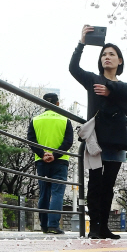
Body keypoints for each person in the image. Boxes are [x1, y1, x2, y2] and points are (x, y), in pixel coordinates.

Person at [70, 26, 127, 239]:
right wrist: (81, 43)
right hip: (96, 139)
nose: (107, 57)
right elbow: (73, 68)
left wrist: (110, 92)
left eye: (112, 54)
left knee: (109, 185)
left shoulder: (125, 87)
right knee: (95, 183)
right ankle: (96, 227)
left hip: (117, 140)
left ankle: (105, 227)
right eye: (104, 55)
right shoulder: (93, 80)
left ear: (120, 61)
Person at [26, 93, 74, 235]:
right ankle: (54, 225)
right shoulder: (65, 120)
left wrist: (43, 154)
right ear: (58, 104)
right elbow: (68, 141)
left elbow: (31, 140)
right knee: (57, 193)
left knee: (44, 193)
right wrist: (55, 155)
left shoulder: (35, 120)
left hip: (41, 161)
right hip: (60, 161)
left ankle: (44, 225)